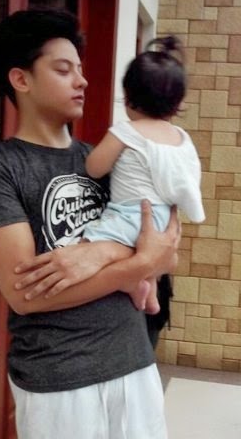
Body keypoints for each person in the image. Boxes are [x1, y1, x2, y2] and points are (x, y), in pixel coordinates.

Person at [0, 9, 179, 439]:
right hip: (58, 378)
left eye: (80, 68)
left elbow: (162, 244)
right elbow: (26, 295)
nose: (82, 80)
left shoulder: (101, 161)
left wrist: (99, 252)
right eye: (64, 69)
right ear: (21, 78)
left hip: (132, 363)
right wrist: (129, 266)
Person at [83, 36, 205, 313]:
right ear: (177, 103)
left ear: (129, 97)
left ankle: (131, 284)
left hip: (131, 215)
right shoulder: (181, 138)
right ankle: (149, 293)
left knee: (85, 245)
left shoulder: (126, 132)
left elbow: (94, 167)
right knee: (145, 255)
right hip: (162, 219)